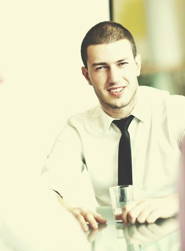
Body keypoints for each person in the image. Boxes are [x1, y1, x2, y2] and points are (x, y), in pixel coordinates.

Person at [43, 21, 185, 232]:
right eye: (101, 68)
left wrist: (174, 202)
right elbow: (46, 190)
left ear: (137, 65)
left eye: (122, 64)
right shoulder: (78, 128)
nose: (114, 78)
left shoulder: (175, 110)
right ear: (86, 75)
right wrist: (67, 209)